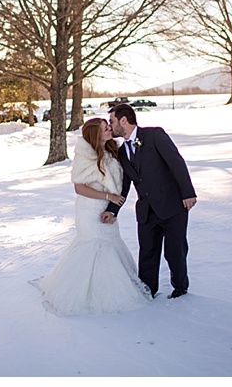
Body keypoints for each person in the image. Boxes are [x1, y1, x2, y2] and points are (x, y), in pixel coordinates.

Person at [33, 118, 152, 315]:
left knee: (111, 242)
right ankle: (83, 293)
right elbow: (79, 188)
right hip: (90, 208)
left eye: (108, 127)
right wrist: (108, 196)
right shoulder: (85, 155)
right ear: (95, 135)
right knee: (94, 244)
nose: (109, 130)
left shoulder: (113, 150)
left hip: (108, 207)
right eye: (105, 129)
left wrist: (113, 205)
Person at [105, 103, 197, 299]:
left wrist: (188, 193)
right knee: (147, 253)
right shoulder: (122, 152)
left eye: (111, 121)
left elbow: (176, 162)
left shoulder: (154, 135)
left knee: (175, 252)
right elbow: (124, 185)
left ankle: (180, 288)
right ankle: (148, 290)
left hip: (173, 206)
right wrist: (113, 209)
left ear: (123, 120)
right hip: (146, 211)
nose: (109, 125)